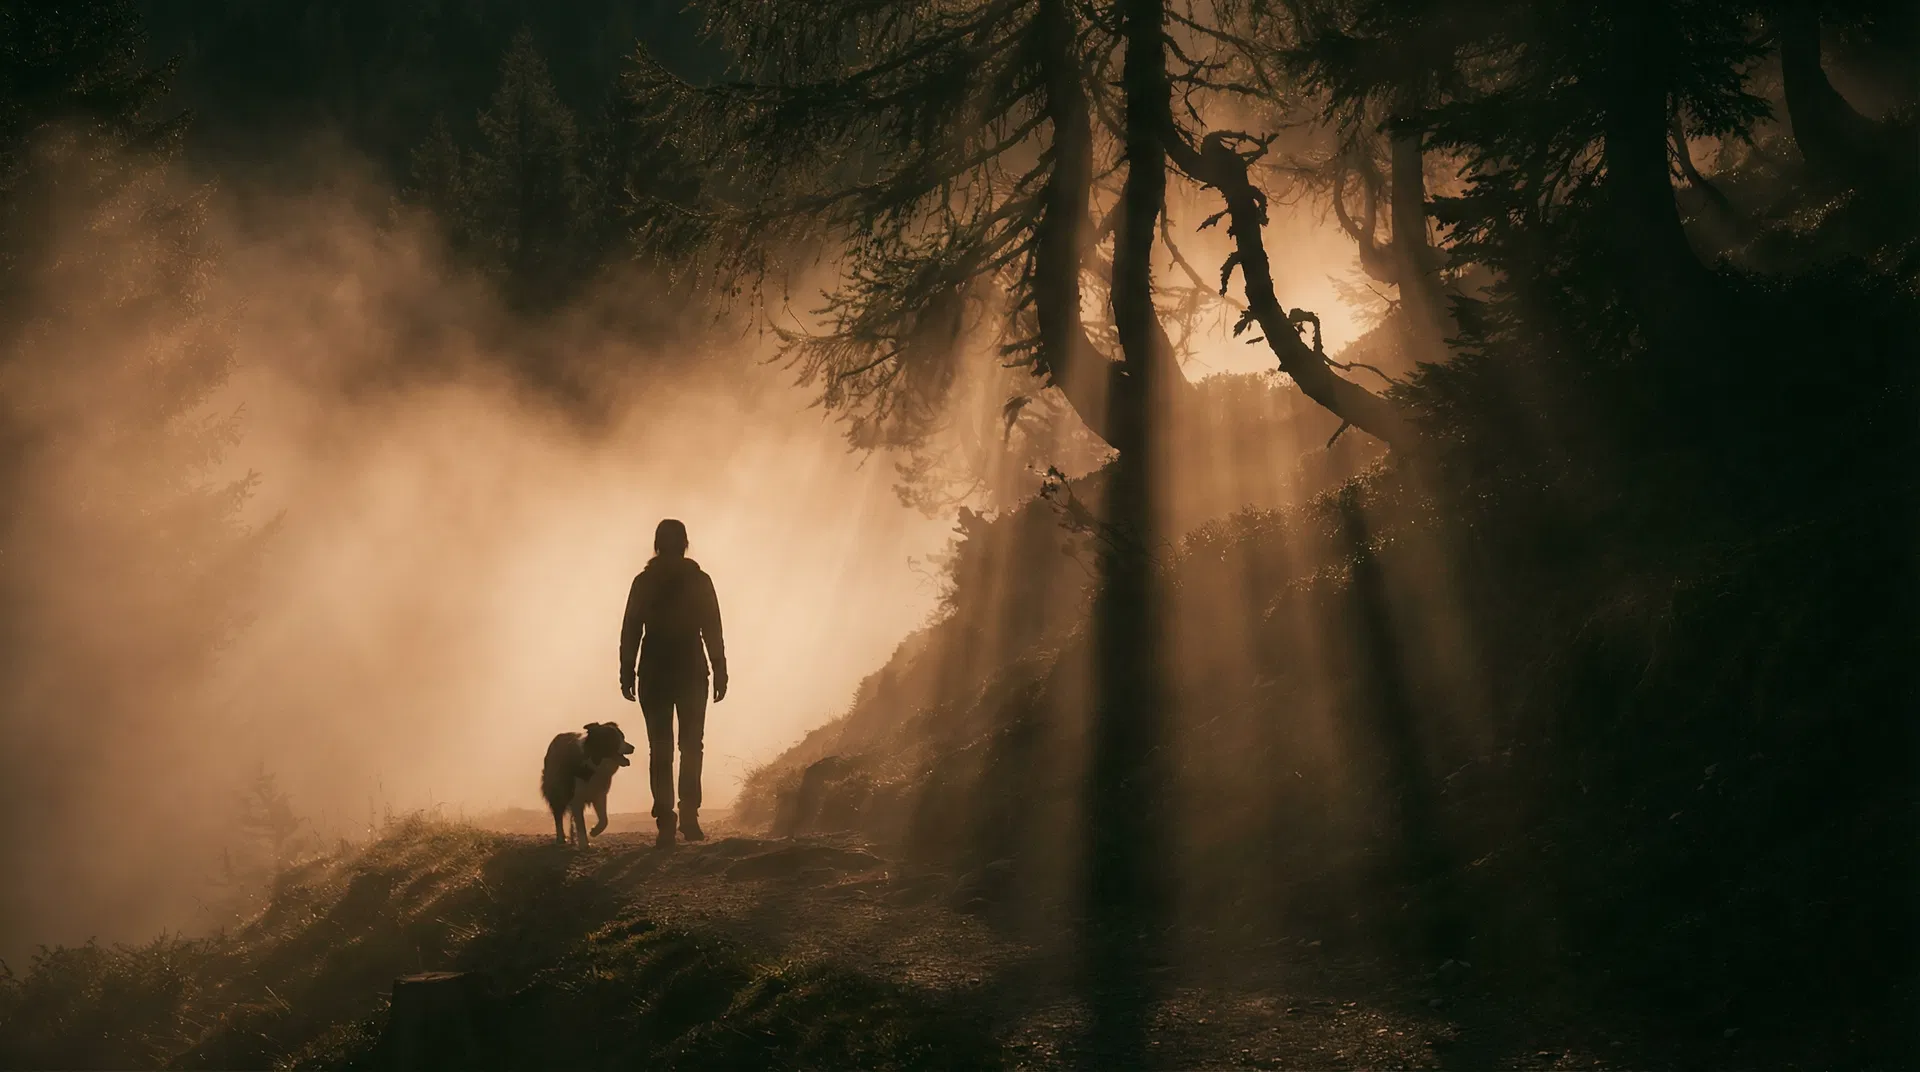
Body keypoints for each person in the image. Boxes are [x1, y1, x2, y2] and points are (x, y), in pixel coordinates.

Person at [619, 519, 727, 847]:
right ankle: (689, 816)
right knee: (692, 746)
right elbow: (712, 629)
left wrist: (627, 671)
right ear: (685, 544)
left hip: (653, 673)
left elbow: (631, 630)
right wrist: (719, 669)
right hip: (692, 671)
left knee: (661, 748)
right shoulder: (699, 581)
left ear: (656, 544)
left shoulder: (644, 582)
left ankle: (666, 819)